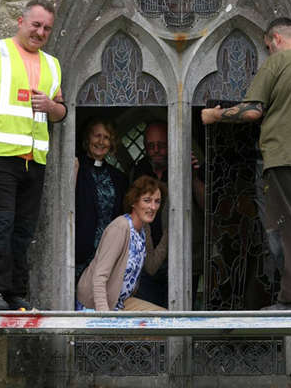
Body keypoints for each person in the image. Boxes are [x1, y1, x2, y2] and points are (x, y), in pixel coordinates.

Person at [0, 0, 67, 313]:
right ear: (21, 21)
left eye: (46, 28)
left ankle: (15, 294)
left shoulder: (52, 64)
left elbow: (60, 111)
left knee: (23, 231)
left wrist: (52, 108)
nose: (40, 32)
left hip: (33, 160)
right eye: (36, 25)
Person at [201, 17, 291, 311]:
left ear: (276, 38)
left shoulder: (278, 63)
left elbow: (251, 111)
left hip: (286, 157)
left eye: (268, 48)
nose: (269, 53)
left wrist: (214, 115)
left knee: (288, 227)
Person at [131, 120, 205, 308]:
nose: (156, 150)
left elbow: (208, 206)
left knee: (181, 320)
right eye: (150, 145)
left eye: (162, 145)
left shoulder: (190, 168)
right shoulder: (138, 171)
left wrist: (193, 177)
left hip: (184, 259)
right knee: (150, 319)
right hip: (146, 262)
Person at [76, 175, 168, 311]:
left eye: (157, 202)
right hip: (95, 304)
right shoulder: (120, 228)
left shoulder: (144, 229)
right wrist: (104, 318)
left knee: (165, 320)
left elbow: (151, 267)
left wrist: (169, 234)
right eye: (147, 200)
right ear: (134, 201)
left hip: (120, 301)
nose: (153, 207)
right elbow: (99, 277)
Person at [75, 117, 128, 293]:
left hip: (106, 252)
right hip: (80, 252)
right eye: (96, 135)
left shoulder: (118, 178)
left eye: (106, 137)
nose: (101, 142)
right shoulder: (75, 168)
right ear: (87, 139)